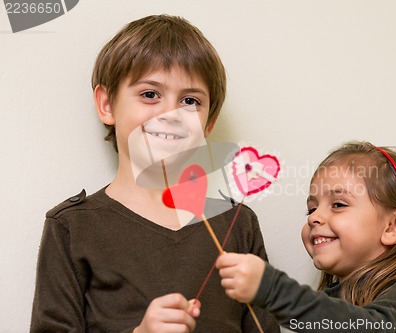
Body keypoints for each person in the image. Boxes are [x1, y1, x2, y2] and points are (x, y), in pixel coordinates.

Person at [31, 15, 280, 333]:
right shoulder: (70, 227)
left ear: (208, 122)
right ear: (107, 104)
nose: (170, 114)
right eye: (150, 94)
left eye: (190, 101)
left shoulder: (239, 225)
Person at [216, 141, 396, 333]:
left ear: (393, 226)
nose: (314, 218)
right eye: (311, 209)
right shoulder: (325, 307)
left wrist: (274, 290)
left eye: (338, 204)